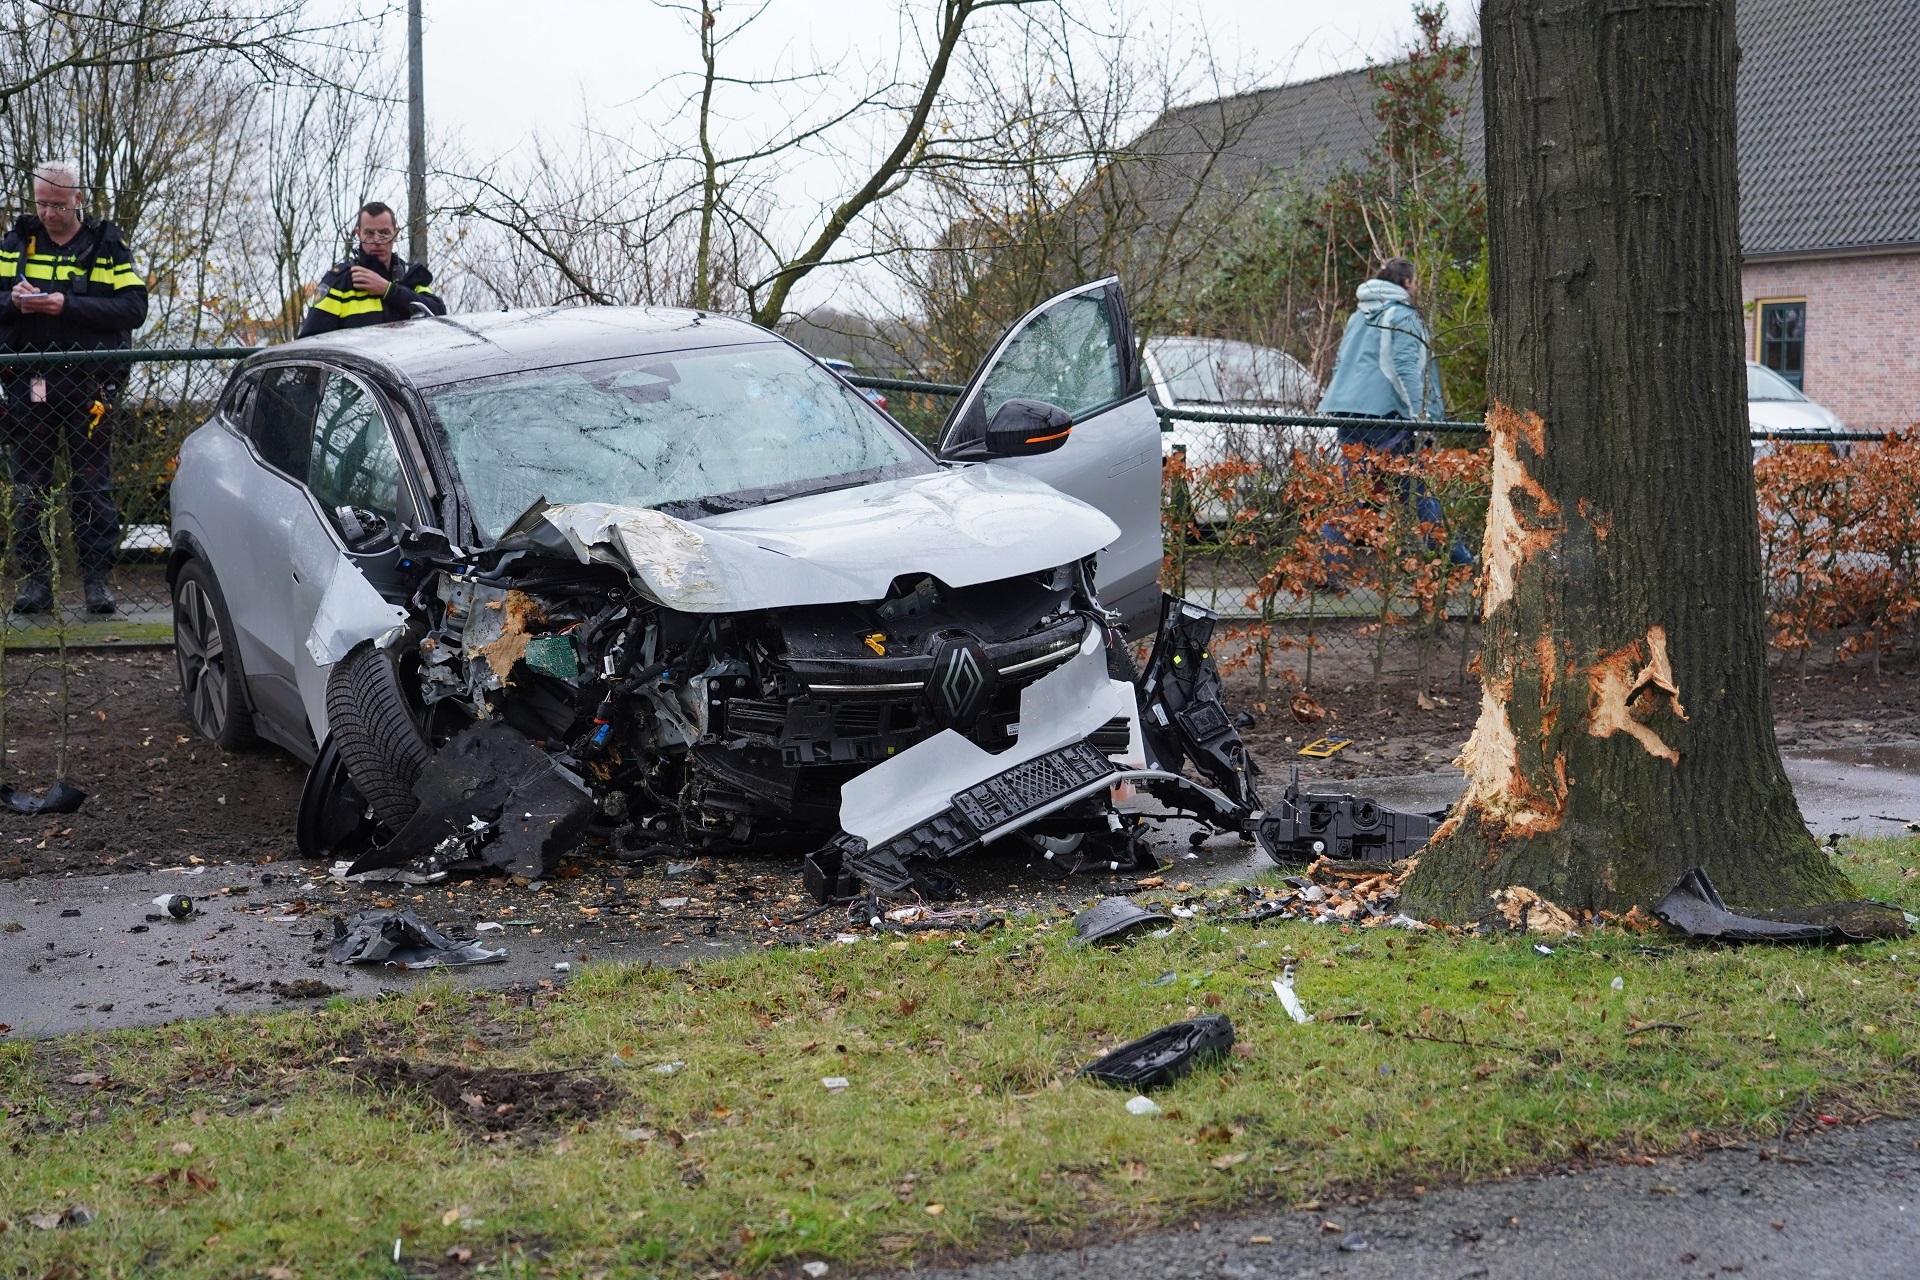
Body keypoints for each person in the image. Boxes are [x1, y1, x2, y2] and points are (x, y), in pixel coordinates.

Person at [0, 160, 148, 615]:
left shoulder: (106, 246)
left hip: (90, 385)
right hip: (30, 383)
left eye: (58, 204)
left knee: (92, 486)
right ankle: (36, 582)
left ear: (78, 199)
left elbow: (133, 307)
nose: (48, 213)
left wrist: (67, 305)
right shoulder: (16, 244)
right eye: (41, 203)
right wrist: (17, 304)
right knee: (32, 487)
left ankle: (97, 582)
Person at [1316, 257, 1471, 575]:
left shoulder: (1358, 317)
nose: (1416, 288)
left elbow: (1339, 362)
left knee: (1354, 491)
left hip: (1348, 413)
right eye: (1415, 282)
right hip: (1389, 418)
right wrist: (1423, 417)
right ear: (1405, 283)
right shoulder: (1403, 315)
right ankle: (1454, 561)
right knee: (1419, 487)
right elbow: (1405, 368)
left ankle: (1323, 566)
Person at [297, 201, 446, 337]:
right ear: (358, 234)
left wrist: (389, 290)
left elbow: (439, 315)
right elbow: (310, 343)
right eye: (369, 234)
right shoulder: (339, 281)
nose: (377, 240)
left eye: (384, 233)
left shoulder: (410, 276)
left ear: (395, 234)